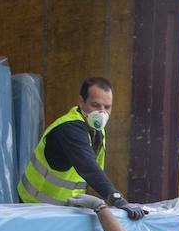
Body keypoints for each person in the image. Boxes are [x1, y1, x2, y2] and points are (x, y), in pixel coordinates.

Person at [18, 76, 146, 220]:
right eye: (96, 105)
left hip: (65, 209)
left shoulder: (97, 130)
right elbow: (89, 167)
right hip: (35, 208)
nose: (102, 112)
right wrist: (117, 199)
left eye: (107, 107)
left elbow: (93, 172)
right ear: (81, 102)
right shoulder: (69, 129)